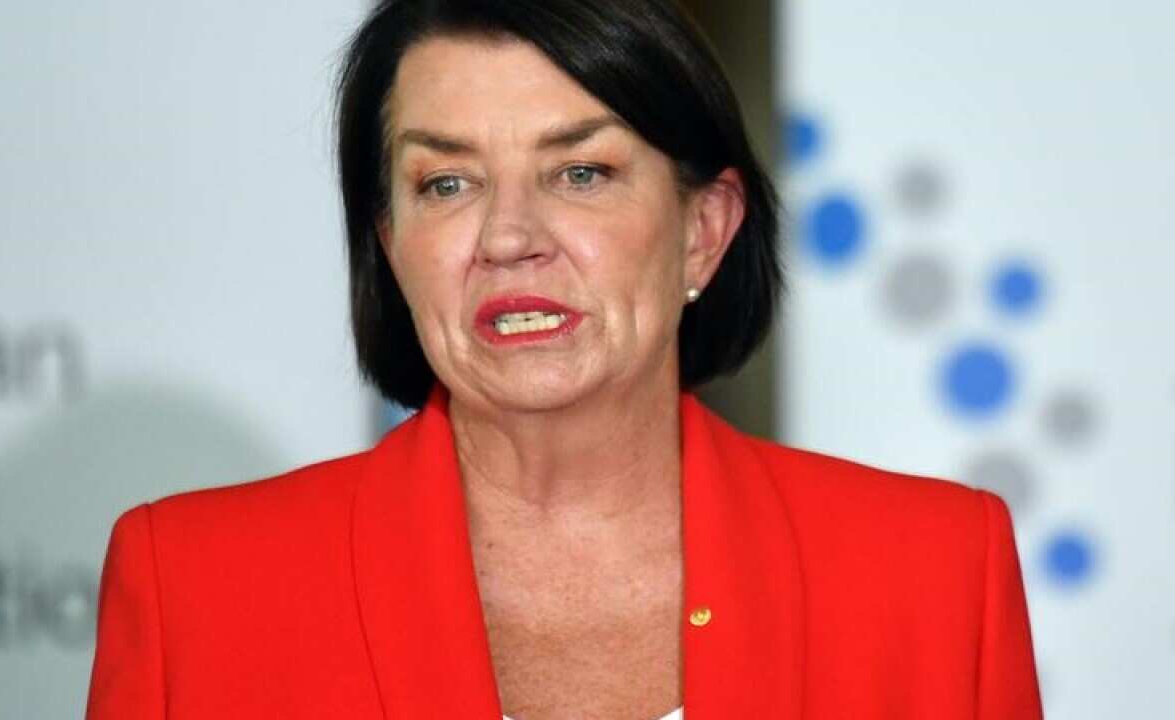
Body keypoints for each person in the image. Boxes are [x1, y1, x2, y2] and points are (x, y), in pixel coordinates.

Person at [86, 0, 1043, 718]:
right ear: (391, 243)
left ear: (703, 231)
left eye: (580, 172)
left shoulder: (933, 574)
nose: (508, 238)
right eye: (448, 182)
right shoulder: (198, 589)